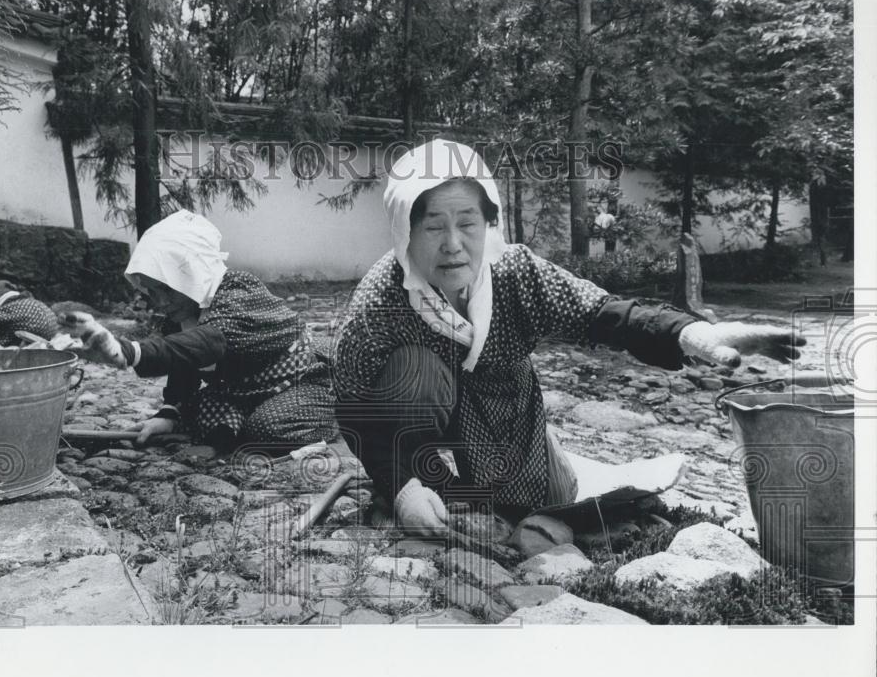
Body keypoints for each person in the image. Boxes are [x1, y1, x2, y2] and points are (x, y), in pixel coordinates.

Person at [332, 139, 804, 536]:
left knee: (539, 504)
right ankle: (418, 477)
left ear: (487, 223)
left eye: (467, 223)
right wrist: (400, 486)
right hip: (420, 405)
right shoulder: (382, 298)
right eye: (433, 225)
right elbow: (353, 404)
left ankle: (546, 453)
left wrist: (695, 333)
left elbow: (601, 312)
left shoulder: (514, 272)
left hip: (501, 405)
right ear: (405, 232)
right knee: (416, 375)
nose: (453, 244)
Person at [59, 209, 339, 450]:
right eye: (152, 291)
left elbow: (208, 342)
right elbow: (183, 359)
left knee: (267, 429)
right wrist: (168, 413)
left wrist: (129, 351)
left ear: (191, 274)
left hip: (298, 379)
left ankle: (335, 411)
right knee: (198, 414)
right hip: (241, 388)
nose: (160, 301)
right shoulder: (183, 311)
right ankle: (240, 422)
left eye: (166, 288)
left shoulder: (238, 290)